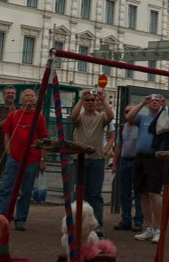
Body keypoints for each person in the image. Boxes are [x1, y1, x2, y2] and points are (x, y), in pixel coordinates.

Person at [0, 89, 48, 231]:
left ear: (35, 99)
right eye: (26, 95)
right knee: (5, 188)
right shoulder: (13, 115)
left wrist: (42, 159)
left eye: (32, 96)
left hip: (32, 159)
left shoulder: (39, 117)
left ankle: (20, 219)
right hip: (14, 157)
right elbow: (7, 134)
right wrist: (8, 151)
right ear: (21, 99)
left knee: (26, 190)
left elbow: (43, 139)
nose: (29, 98)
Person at [127, 94, 169, 244]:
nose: (154, 102)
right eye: (152, 100)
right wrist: (143, 102)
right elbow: (129, 118)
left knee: (154, 194)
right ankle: (149, 228)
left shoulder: (165, 116)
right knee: (143, 194)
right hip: (140, 158)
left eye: (157, 100)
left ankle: (159, 230)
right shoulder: (143, 117)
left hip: (156, 158)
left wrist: (165, 105)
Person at [71, 89, 114, 235]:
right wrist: (81, 98)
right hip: (80, 159)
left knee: (95, 194)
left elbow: (111, 116)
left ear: (96, 102)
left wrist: (103, 99)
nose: (90, 102)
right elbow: (73, 116)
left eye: (92, 100)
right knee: (79, 192)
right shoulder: (80, 118)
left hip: (97, 159)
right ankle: (77, 223)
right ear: (84, 103)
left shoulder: (101, 117)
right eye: (87, 100)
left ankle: (96, 224)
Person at [112, 103, 143, 231]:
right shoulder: (122, 128)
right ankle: (126, 220)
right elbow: (118, 146)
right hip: (124, 162)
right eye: (126, 111)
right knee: (124, 193)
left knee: (138, 193)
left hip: (137, 162)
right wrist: (114, 164)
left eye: (131, 111)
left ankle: (138, 221)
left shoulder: (140, 127)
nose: (129, 114)